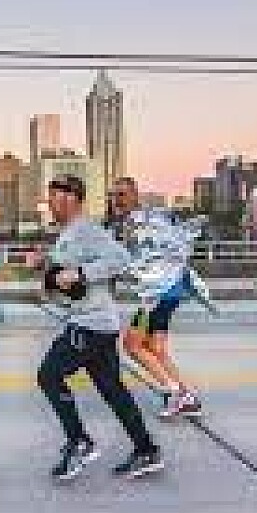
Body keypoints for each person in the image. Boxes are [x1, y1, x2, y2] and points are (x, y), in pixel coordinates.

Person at [37, 175, 163, 482]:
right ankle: (146, 450)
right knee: (113, 391)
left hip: (89, 325)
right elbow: (64, 277)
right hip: (96, 323)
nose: (49, 203)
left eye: (53, 197)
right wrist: (45, 265)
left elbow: (121, 259)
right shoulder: (69, 234)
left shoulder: (86, 230)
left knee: (49, 375)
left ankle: (79, 441)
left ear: (70, 198)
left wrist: (81, 273)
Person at [109, 177, 204, 419]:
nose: (116, 200)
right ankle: (187, 395)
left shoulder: (139, 222)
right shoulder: (140, 220)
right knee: (155, 347)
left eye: (121, 195)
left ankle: (175, 394)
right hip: (168, 289)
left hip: (159, 293)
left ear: (134, 195)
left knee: (132, 345)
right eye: (113, 195)